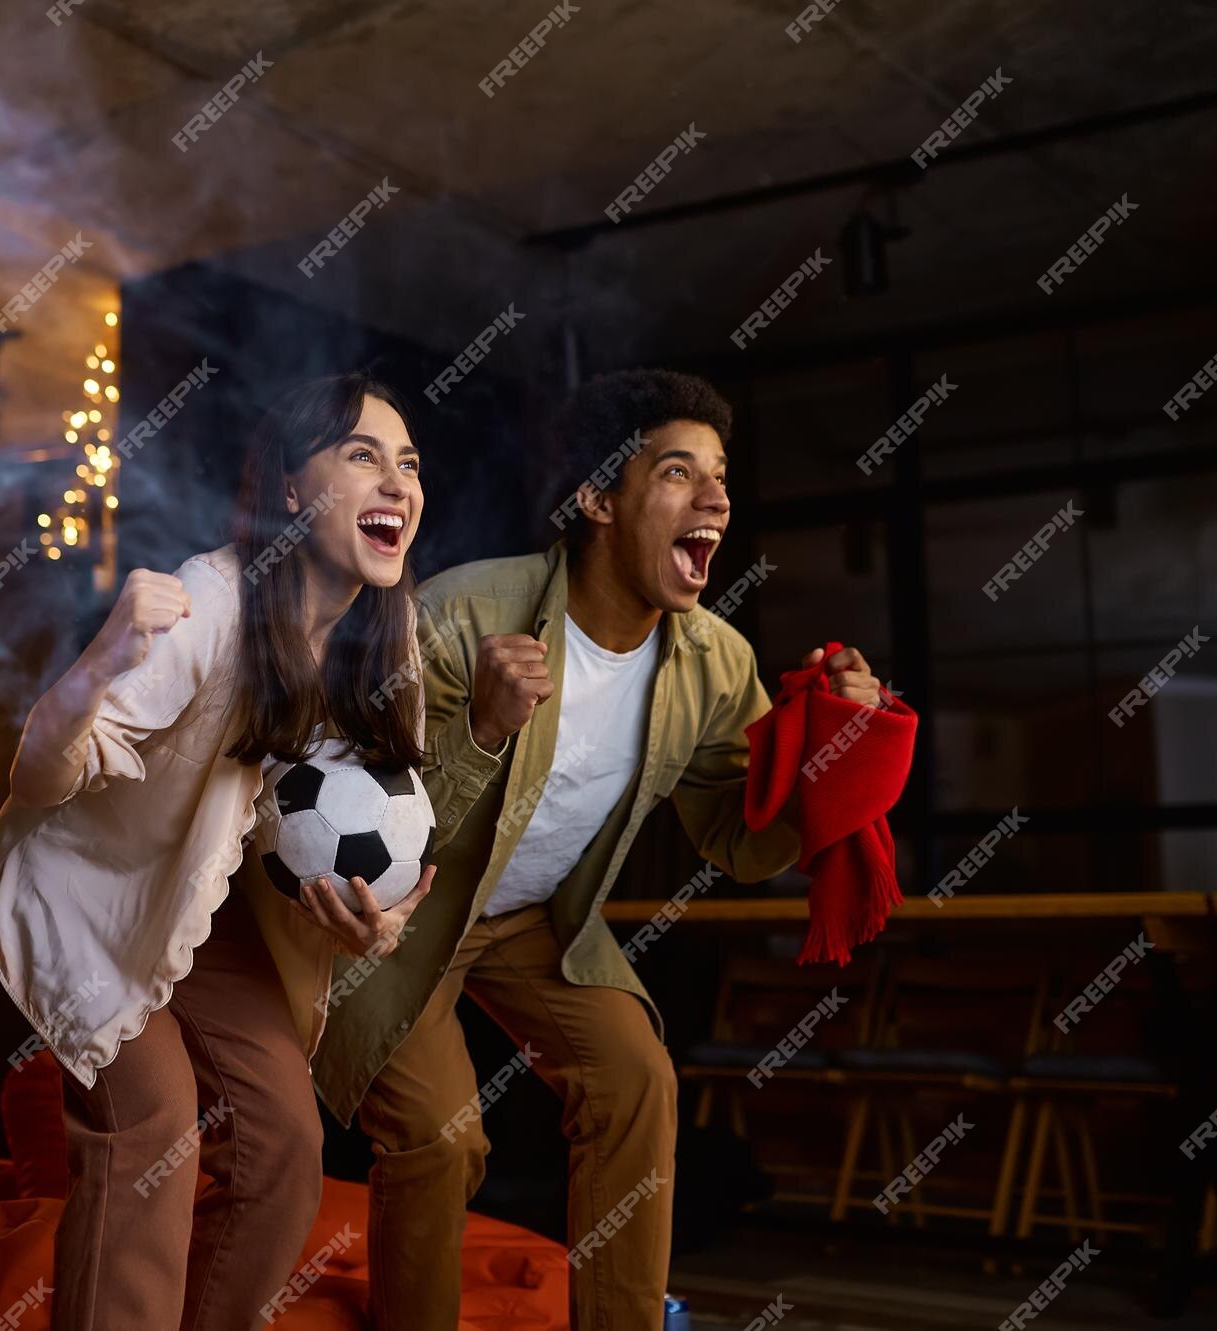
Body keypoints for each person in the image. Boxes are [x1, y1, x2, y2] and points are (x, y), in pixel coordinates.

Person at [313, 368, 888, 1330]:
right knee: (441, 1136)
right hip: (409, 915)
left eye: (719, 478)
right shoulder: (458, 614)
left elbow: (739, 843)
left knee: (635, 1080)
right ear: (596, 499)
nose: (714, 499)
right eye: (676, 472)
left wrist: (835, 746)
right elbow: (366, 828)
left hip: (540, 923)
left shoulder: (715, 660)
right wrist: (486, 730)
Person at [0, 373, 438, 1330]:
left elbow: (385, 824)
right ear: (293, 492)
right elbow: (42, 781)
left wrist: (382, 914)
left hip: (196, 905)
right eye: (363, 455)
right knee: (152, 1121)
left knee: (285, 1141)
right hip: (86, 893)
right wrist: (97, 664)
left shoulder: (387, 638)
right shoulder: (211, 600)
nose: (398, 483)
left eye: (410, 463)